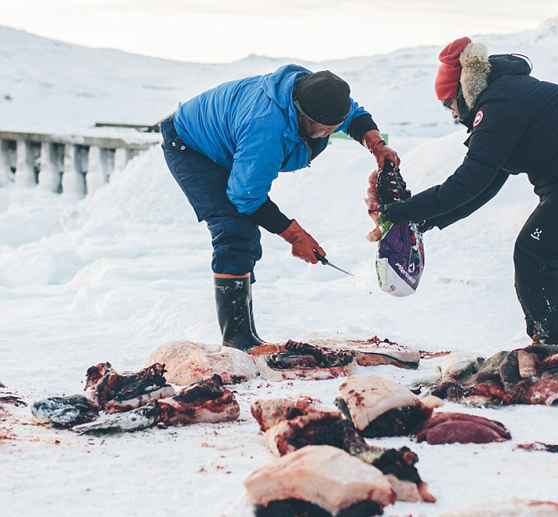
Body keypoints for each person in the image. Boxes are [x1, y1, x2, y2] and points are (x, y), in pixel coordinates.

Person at [381, 37, 558, 349]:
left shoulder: (500, 105)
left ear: (462, 91)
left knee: (537, 255)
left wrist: (406, 211)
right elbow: (485, 186)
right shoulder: (505, 97)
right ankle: (549, 341)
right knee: (536, 255)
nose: (452, 114)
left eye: (448, 104)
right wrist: (425, 219)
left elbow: (471, 179)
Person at [161, 65, 398, 351]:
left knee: (242, 228)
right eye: (325, 129)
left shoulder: (318, 95)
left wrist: (376, 145)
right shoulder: (266, 128)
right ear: (301, 113)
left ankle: (243, 333)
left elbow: (354, 115)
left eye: (335, 128)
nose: (330, 134)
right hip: (190, 146)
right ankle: (237, 338)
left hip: (228, 141)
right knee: (234, 229)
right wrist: (295, 235)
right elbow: (246, 196)